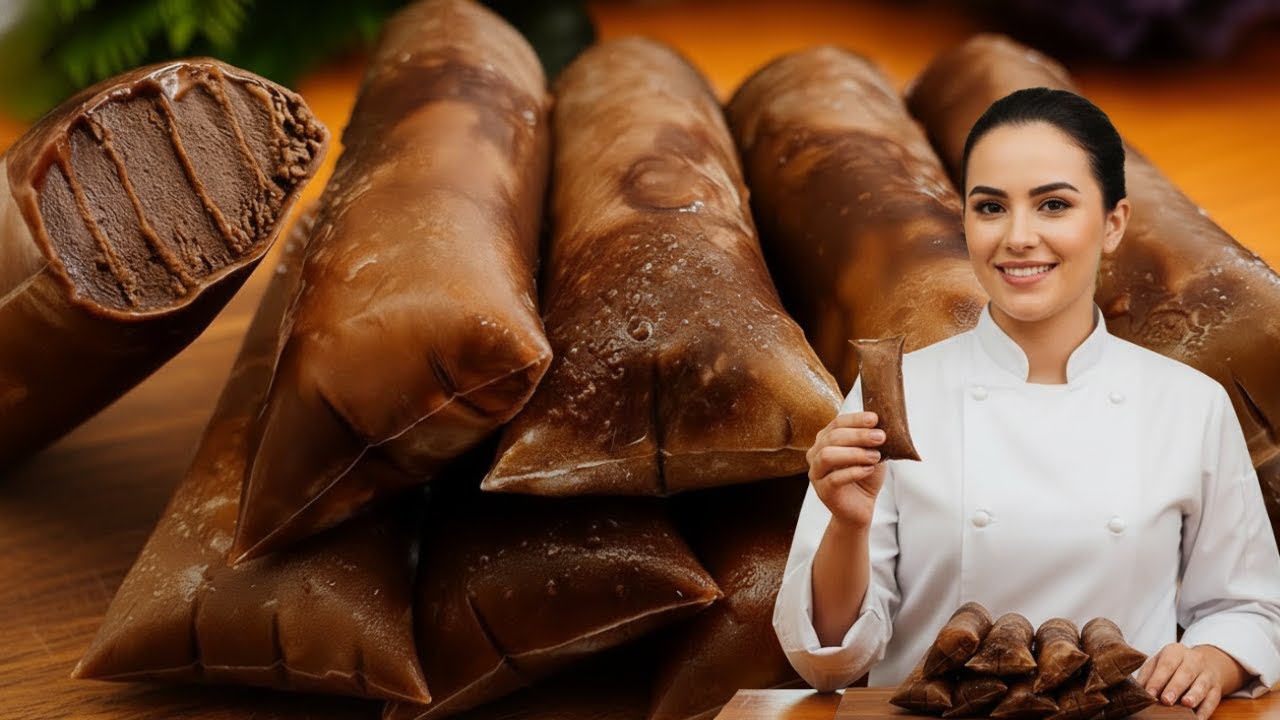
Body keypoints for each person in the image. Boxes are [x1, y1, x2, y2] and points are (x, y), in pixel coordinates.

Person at [773, 86, 1280, 720]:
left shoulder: (1190, 404)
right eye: (991, 207)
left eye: (1053, 205)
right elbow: (826, 664)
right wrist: (847, 525)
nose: (1018, 237)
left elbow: (1249, 606)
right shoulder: (894, 395)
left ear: (1113, 223)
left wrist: (1212, 658)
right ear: (964, 222)